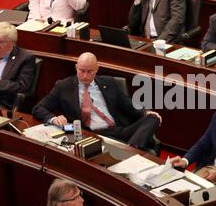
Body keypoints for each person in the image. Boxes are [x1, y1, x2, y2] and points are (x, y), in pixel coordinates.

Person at [32, 52, 161, 150]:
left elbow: (128, 105)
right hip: (88, 135)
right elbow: (38, 108)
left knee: (153, 118)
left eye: (90, 71)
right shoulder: (63, 86)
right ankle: (133, 150)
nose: (85, 76)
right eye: (82, 71)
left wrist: (145, 113)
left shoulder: (109, 83)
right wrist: (54, 119)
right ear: (76, 67)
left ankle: (132, 149)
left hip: (116, 130)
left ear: (97, 69)